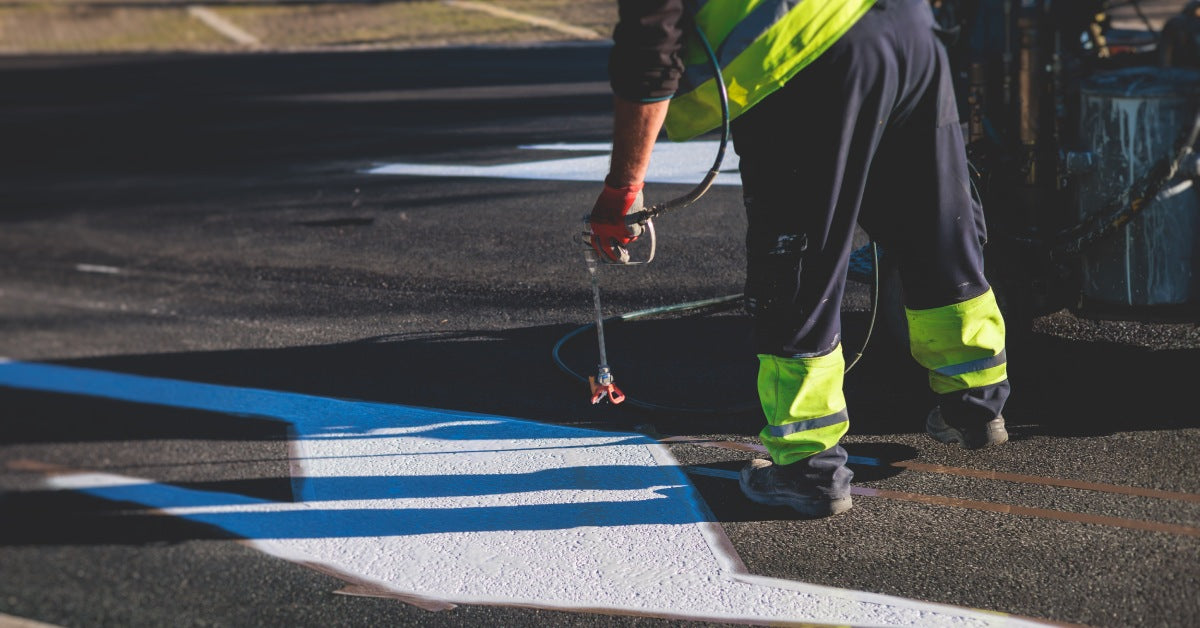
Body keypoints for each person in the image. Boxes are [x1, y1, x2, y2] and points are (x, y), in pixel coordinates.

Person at [588, 0, 1011, 518]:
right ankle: (975, 406)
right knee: (937, 228)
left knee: (799, 266)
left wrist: (624, 185)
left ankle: (808, 469)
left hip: (803, 59)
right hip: (909, 32)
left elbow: (651, 48)